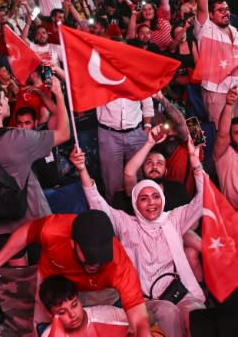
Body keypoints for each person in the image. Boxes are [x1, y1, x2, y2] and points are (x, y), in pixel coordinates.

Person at [76, 142, 205, 337]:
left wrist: (196, 164)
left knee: (196, 314)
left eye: (155, 196)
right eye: (144, 198)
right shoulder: (127, 224)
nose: (151, 202)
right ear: (135, 204)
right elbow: (96, 202)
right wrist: (82, 169)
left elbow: (203, 198)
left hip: (176, 290)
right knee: (168, 313)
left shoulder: (173, 218)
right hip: (145, 299)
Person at [0, 210, 153, 337]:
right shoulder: (53, 230)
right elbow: (27, 232)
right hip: (54, 283)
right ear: (73, 243)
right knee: (44, 330)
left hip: (99, 290)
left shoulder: (119, 265)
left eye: (99, 260)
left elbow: (139, 320)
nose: (94, 264)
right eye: (88, 259)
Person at [0, 79, 69, 264]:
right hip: (35, 222)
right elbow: (64, 133)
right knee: (49, 274)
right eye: (3, 97)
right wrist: (59, 95)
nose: (7, 99)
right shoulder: (17, 137)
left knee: (21, 283)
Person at [39, 274, 129, 337]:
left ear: (79, 300)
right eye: (62, 312)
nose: (72, 315)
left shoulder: (108, 315)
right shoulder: (48, 335)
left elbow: (140, 322)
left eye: (74, 305)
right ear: (50, 314)